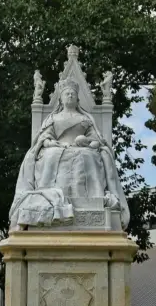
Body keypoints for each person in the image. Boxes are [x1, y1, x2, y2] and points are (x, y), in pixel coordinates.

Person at [9, 78, 130, 229]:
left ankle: (92, 199)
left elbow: (97, 139)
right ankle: (49, 196)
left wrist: (87, 142)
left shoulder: (85, 118)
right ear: (61, 98)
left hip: (83, 149)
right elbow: (44, 137)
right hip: (56, 148)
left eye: (72, 93)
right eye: (67, 93)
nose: (70, 96)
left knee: (88, 156)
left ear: (77, 98)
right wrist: (50, 143)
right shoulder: (53, 118)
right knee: (51, 154)